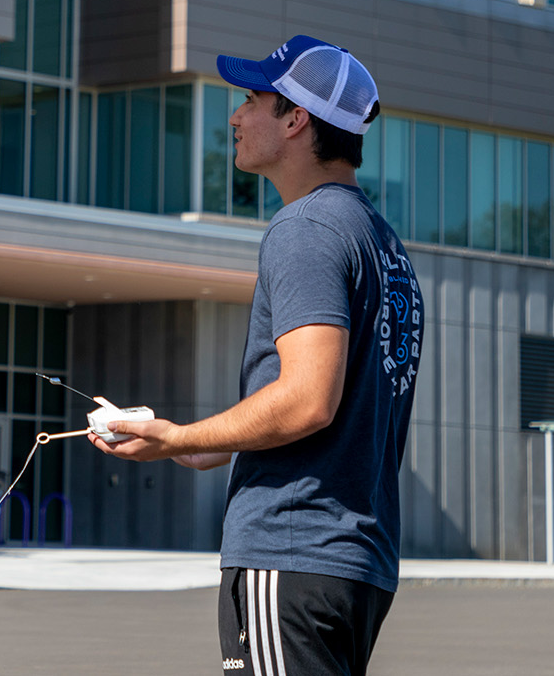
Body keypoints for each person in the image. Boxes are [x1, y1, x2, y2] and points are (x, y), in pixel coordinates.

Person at [92, 35, 422, 676]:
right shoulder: (382, 243)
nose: (237, 116)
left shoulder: (306, 229)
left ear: (297, 118)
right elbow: (319, 401)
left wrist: (179, 436)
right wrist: (190, 444)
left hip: (292, 551)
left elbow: (307, 400)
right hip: (353, 561)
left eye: (252, 99)